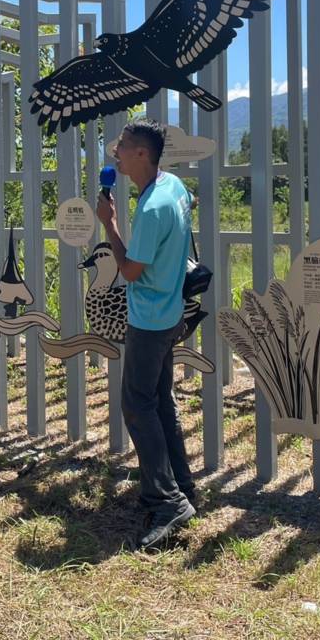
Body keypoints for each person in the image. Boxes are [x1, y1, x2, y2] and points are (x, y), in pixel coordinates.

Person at [95, 117, 197, 550]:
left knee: (136, 406)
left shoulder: (153, 207)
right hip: (171, 311)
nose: (115, 151)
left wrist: (109, 224)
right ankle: (183, 487)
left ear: (142, 154)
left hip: (150, 319)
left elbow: (131, 271)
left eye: (122, 145)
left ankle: (167, 501)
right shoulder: (171, 186)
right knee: (159, 401)